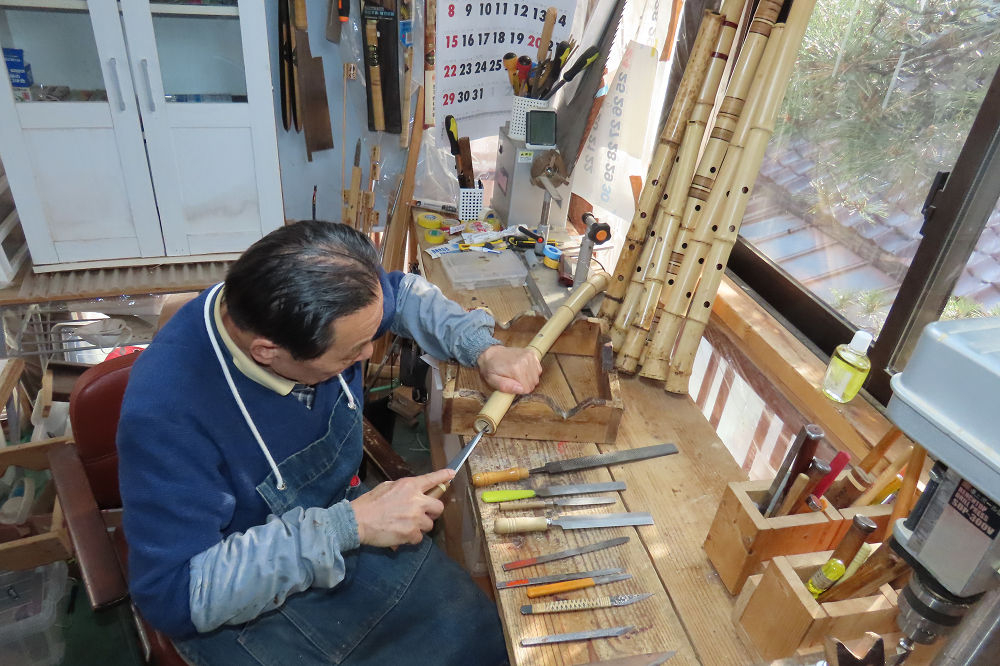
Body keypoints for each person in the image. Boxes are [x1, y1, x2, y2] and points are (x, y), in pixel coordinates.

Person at [117, 221, 542, 665]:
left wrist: (482, 349)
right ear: (267, 352)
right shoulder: (165, 412)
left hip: (345, 524)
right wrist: (347, 526)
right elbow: (175, 594)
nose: (370, 353)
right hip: (247, 593)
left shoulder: (326, 297)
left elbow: (402, 294)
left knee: (483, 637)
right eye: (352, 352)